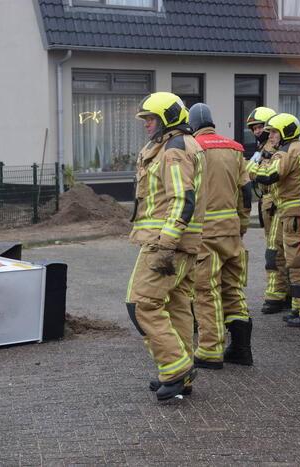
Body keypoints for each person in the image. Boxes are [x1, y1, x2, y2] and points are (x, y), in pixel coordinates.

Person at [126, 92, 207, 401]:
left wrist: (166, 245)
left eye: (151, 119)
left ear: (167, 119)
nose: (146, 125)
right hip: (183, 244)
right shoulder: (179, 145)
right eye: (145, 120)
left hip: (166, 244)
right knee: (176, 306)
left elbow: (181, 200)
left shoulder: (173, 151)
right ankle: (179, 375)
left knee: (141, 304)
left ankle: (176, 369)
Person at [188, 103, 253, 369]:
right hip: (231, 231)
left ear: (193, 124)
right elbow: (246, 191)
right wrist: (242, 224)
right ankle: (241, 350)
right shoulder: (235, 148)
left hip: (204, 234)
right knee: (233, 289)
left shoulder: (191, 147)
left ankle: (209, 351)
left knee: (206, 292)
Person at [254, 114, 300, 328]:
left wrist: (250, 168)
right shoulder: (299, 148)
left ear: (285, 132)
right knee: (298, 260)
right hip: (296, 213)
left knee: (297, 262)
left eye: (274, 132)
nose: (271, 136)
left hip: (294, 214)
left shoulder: (288, 151)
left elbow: (269, 175)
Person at [245, 107, 292, 315]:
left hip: (275, 202)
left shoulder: (274, 149)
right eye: (253, 128)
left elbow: (268, 174)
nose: (256, 131)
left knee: (276, 250)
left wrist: (249, 168)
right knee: (277, 248)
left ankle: (277, 294)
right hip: (268, 202)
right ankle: (286, 292)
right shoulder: (264, 148)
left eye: (260, 127)